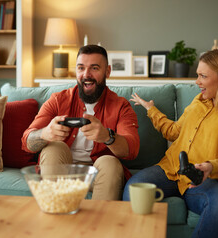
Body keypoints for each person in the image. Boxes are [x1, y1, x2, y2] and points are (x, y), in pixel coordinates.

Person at [123, 49, 218, 238]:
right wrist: (151, 109)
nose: (197, 82)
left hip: (203, 179)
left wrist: (211, 167)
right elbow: (174, 131)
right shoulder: (198, 101)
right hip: (170, 169)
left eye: (203, 76)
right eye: (198, 75)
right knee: (133, 188)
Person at [22, 45, 140, 200]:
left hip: (98, 174)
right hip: (60, 170)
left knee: (110, 162)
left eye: (95, 68)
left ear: (108, 71)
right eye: (81, 68)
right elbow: (26, 141)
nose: (86, 74)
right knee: (54, 148)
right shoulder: (58, 100)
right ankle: (55, 216)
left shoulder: (121, 105)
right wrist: (45, 133)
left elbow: (132, 149)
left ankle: (97, 222)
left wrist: (107, 136)